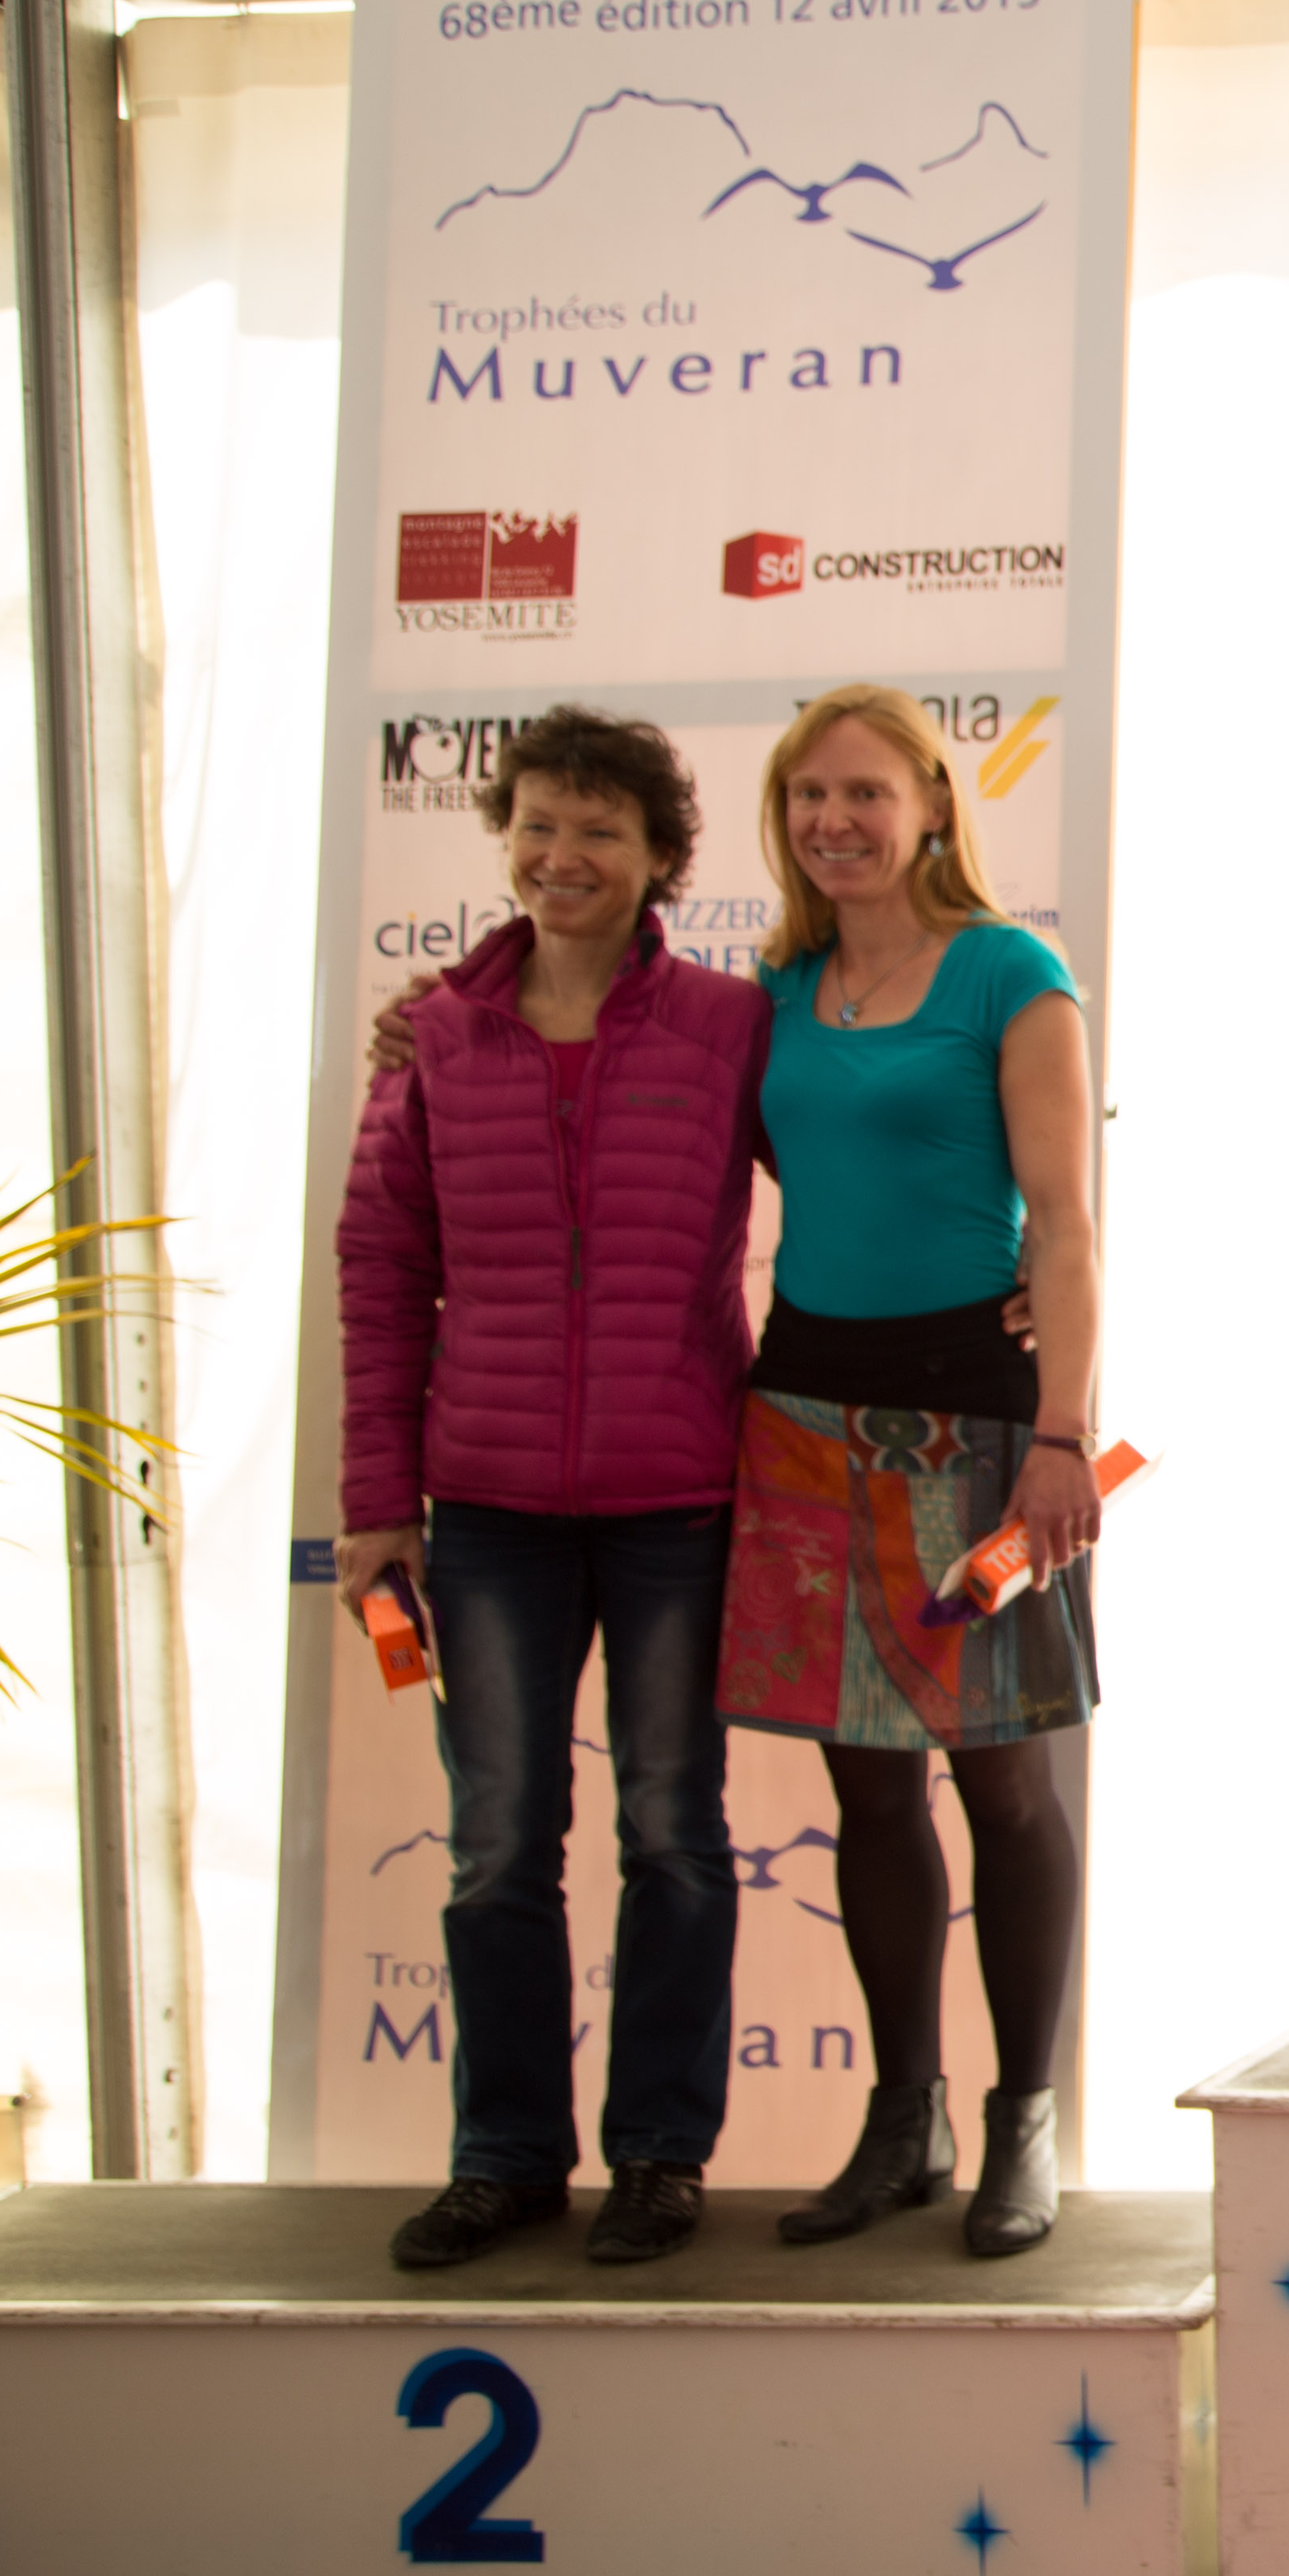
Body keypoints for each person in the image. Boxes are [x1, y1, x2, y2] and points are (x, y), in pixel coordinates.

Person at [336, 707, 771, 2269]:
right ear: (504, 839)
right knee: (500, 1847)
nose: (560, 855)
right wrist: (374, 1506)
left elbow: (865, 1173)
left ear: (660, 858)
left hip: (680, 1503)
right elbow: (381, 1269)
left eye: (598, 829)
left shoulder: (732, 1025)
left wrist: (1012, 1286)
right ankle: (507, 2157)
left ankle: (659, 2156)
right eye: (536, 824)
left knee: (676, 1835)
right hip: (488, 1515)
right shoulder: (437, 1040)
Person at [720, 683, 1104, 2258]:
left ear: (935, 804)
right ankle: (905, 2121)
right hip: (807, 1413)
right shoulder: (777, 988)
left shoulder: (1013, 973)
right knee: (865, 1787)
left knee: (1001, 1778)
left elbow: (1065, 1222)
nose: (836, 820)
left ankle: (1025, 2122)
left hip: (981, 1426)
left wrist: (1065, 1435)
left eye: (867, 792)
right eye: (808, 796)